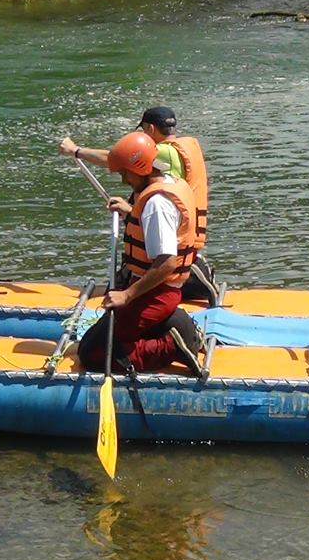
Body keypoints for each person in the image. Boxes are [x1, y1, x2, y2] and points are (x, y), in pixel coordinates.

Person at [77, 131, 203, 377]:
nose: (124, 180)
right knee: (96, 336)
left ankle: (171, 348)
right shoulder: (169, 183)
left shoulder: (157, 205)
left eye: (125, 173)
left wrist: (127, 295)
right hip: (160, 291)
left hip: (155, 293)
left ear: (142, 167)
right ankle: (173, 326)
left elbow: (166, 262)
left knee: (92, 352)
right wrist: (132, 212)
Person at [59, 106, 217, 303]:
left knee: (128, 283)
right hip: (182, 234)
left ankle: (194, 281)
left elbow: (115, 159)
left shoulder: (162, 154)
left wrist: (76, 151)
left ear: (150, 129)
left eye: (142, 131)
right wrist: (131, 212)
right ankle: (191, 274)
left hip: (173, 247)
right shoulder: (181, 149)